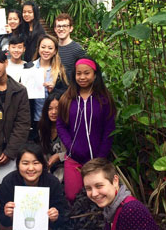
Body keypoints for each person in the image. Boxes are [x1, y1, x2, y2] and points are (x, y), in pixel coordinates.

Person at [0, 143, 66, 230]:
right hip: (19, 224)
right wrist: (7, 213)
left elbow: (62, 216)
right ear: (18, 165)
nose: (30, 168)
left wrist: (55, 216)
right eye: (25, 163)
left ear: (43, 165)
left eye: (35, 163)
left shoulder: (51, 182)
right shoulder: (9, 182)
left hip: (43, 226)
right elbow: (2, 218)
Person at [57, 56, 116, 202]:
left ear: (95, 75)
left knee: (98, 196)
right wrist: (71, 147)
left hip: (97, 159)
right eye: (78, 73)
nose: (82, 77)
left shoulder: (104, 99)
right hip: (73, 158)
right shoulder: (67, 98)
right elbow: (61, 125)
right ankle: (76, 223)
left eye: (86, 73)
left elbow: (109, 130)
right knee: (72, 196)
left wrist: (101, 157)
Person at [24, 34, 68, 142]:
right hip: (34, 119)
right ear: (38, 48)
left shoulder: (59, 71)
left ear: (55, 51)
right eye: (43, 47)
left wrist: (54, 90)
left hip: (53, 119)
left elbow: (67, 94)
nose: (46, 50)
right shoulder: (29, 67)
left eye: (50, 48)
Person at [38, 92, 66, 183]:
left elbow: (74, 152)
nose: (53, 112)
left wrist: (59, 156)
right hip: (49, 169)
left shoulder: (68, 128)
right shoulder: (43, 128)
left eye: (57, 109)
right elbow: (44, 152)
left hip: (65, 168)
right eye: (50, 109)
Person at [54, 13, 85, 80]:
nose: (61, 29)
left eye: (65, 26)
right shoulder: (52, 48)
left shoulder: (78, 49)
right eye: (59, 26)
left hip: (71, 89)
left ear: (71, 28)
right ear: (55, 29)